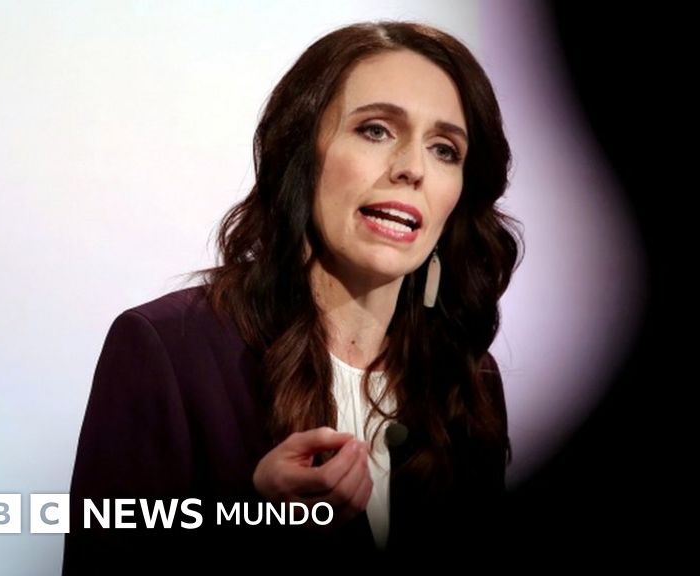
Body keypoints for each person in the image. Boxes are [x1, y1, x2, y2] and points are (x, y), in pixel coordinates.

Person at [63, 20, 520, 571]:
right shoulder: (167, 350)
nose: (412, 169)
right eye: (375, 130)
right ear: (300, 154)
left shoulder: (467, 378)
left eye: (445, 149)